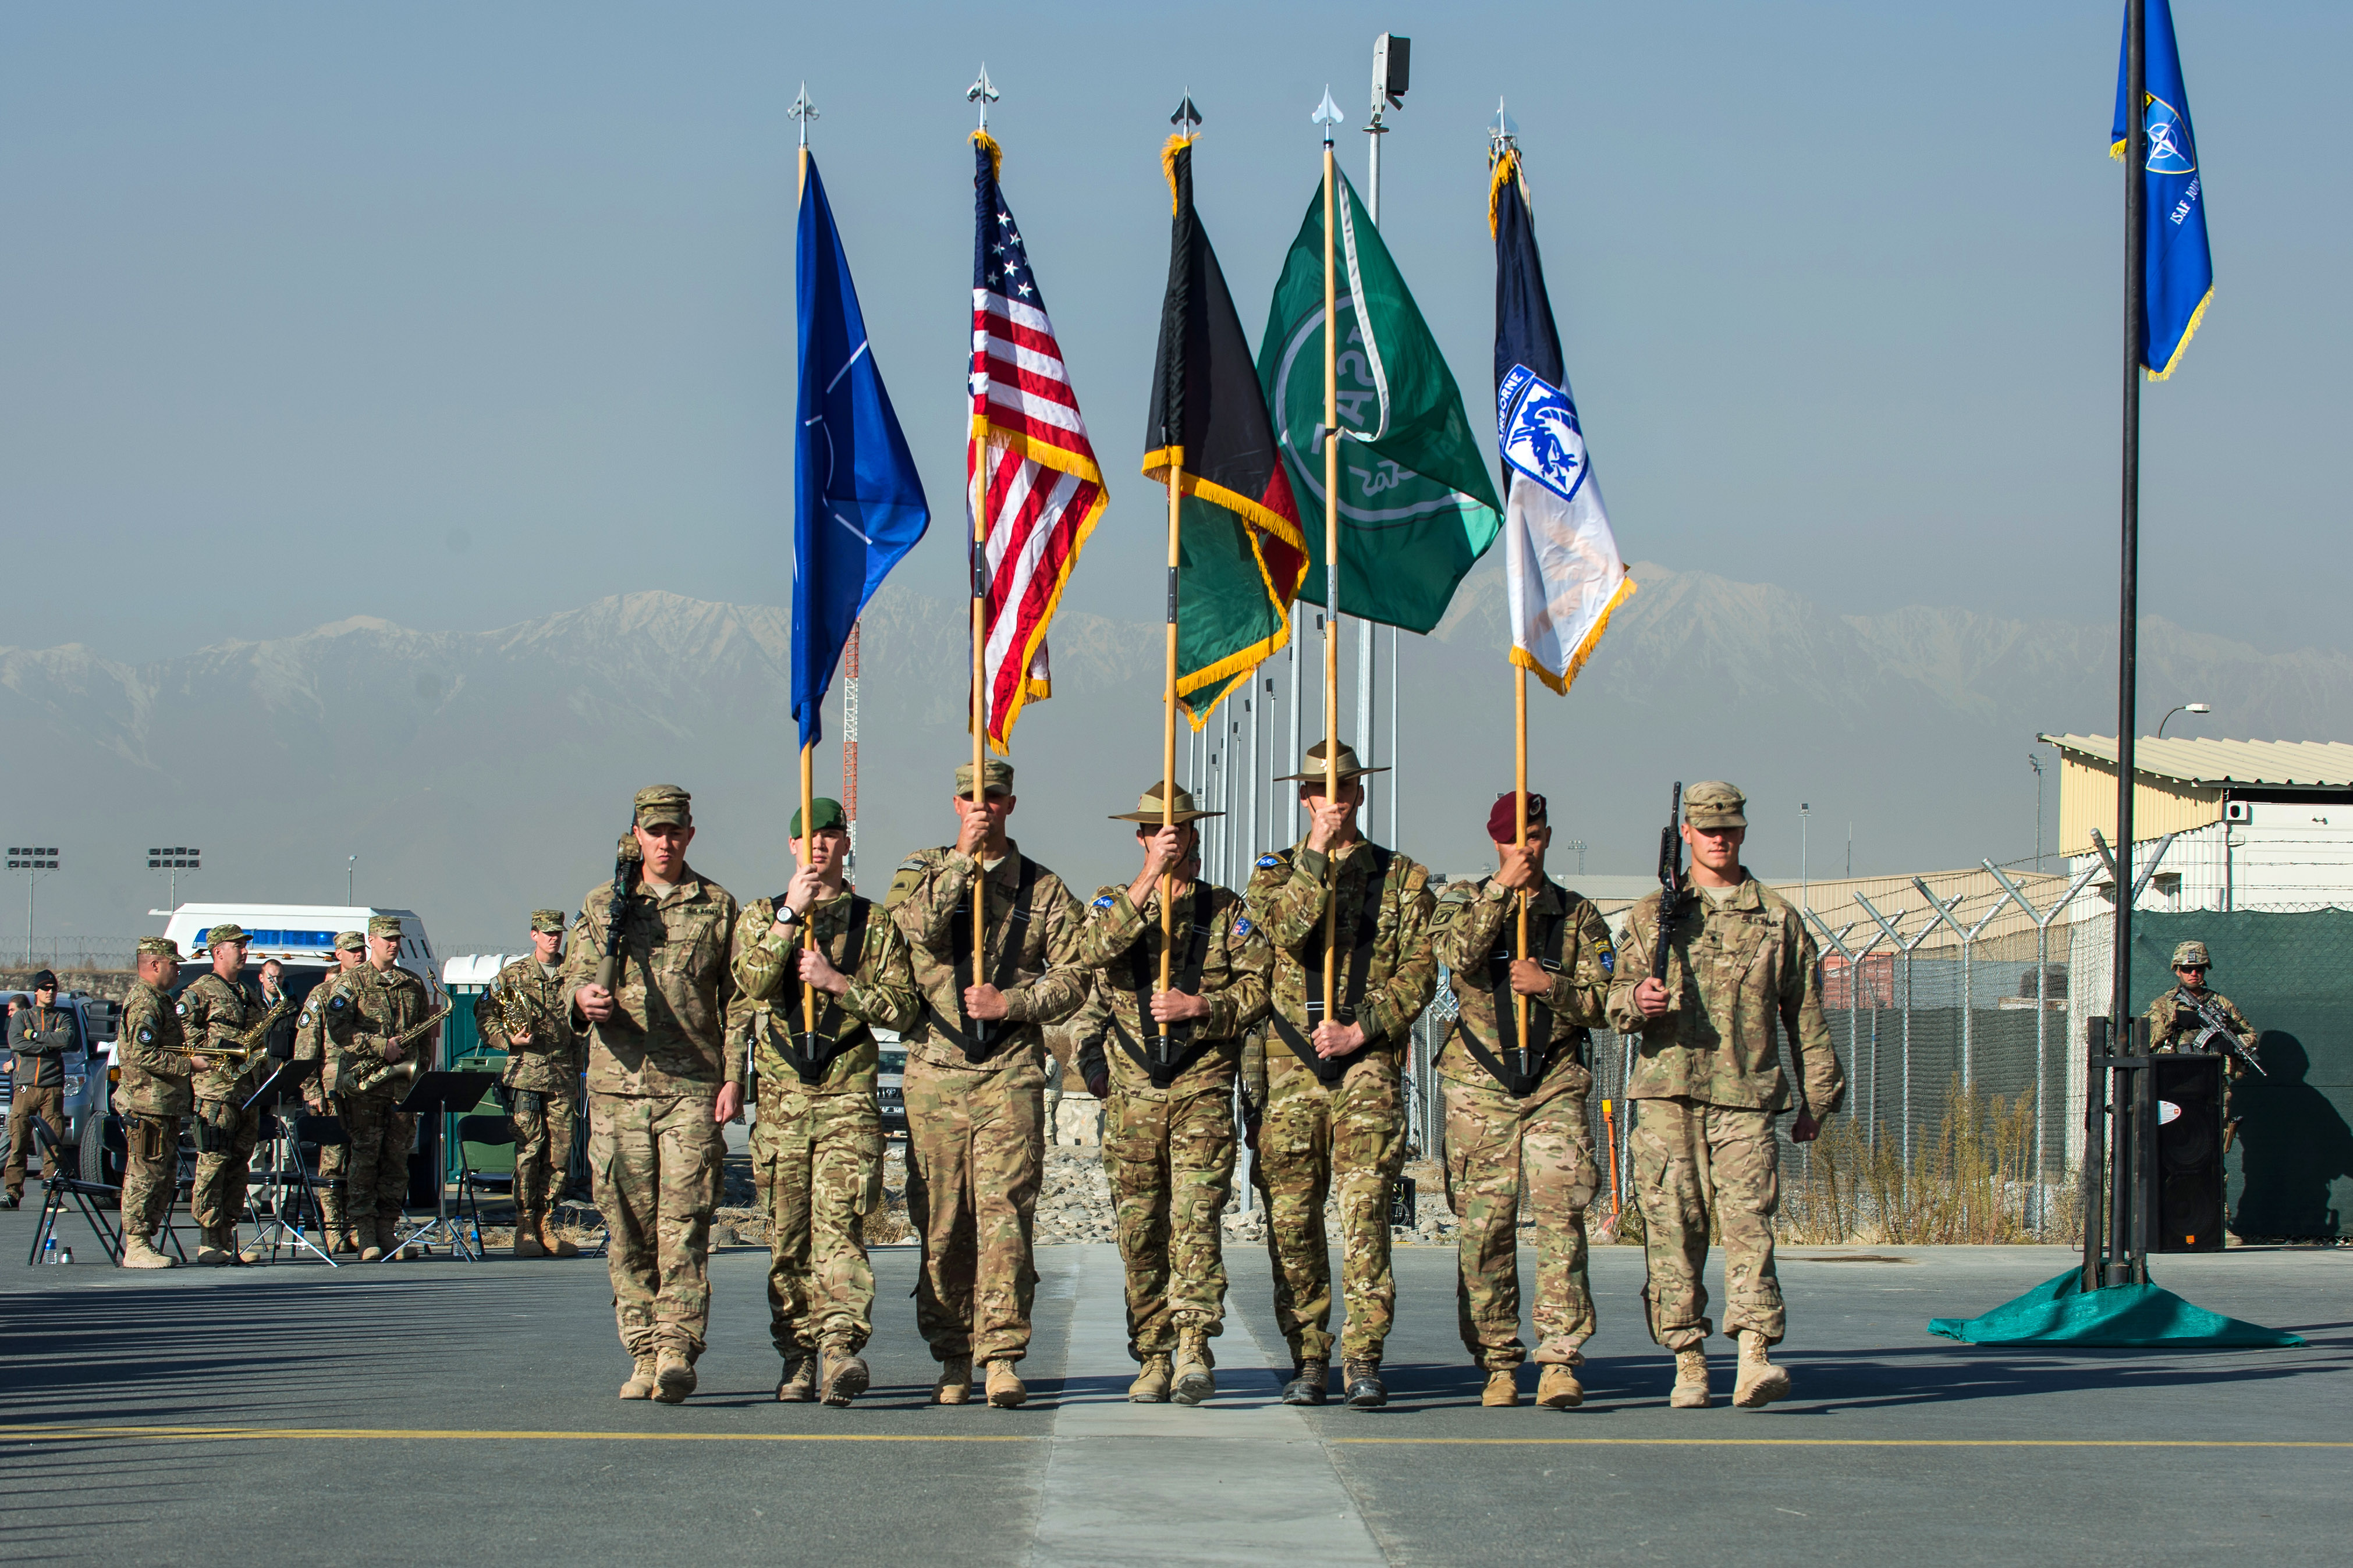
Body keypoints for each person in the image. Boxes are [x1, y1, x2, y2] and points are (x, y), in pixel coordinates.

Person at [1606, 780, 1846, 1410]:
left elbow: (1805, 1012)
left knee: (1749, 1229)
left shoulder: (1775, 918)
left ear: (1742, 831)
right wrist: (1636, 1000)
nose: (1719, 838)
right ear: (1684, 833)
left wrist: (1816, 1096)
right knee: (1671, 1230)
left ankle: (1753, 1355)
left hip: (1744, 1096)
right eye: (1707, 829)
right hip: (1667, 1097)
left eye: (1729, 828)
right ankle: (1688, 1361)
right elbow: (1611, 1001)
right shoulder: (1652, 915)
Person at [885, 758, 1088, 1409]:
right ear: (955, 804)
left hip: (1008, 1072)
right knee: (942, 1219)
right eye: (972, 798)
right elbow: (903, 935)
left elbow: (1076, 972)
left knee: (1005, 1216)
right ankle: (951, 1352)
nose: (984, 808)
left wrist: (1014, 1004)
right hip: (937, 1073)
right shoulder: (921, 870)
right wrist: (959, 864)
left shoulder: (1044, 888)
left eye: (994, 798)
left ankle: (1000, 1353)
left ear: (1011, 803)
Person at [1243, 741, 1438, 1410]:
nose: (1336, 799)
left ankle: (1362, 1356)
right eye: (1322, 790)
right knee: (1293, 1220)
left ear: (1360, 793)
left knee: (1364, 1216)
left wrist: (1364, 1026)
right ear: (1304, 799)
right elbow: (1286, 935)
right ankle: (1308, 1354)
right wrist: (1316, 857)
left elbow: (1421, 969)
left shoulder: (1403, 877)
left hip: (1366, 1065)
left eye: (1346, 788)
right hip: (1291, 1069)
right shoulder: (1271, 873)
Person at [1069, 782, 1271, 1406]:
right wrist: (1147, 879)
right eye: (1158, 831)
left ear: (1196, 838)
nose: (1171, 838)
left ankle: (1191, 1348)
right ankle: (1151, 1351)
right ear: (1140, 838)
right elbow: (1091, 953)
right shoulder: (1112, 902)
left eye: (1180, 830)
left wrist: (1202, 1004)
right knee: (1139, 1229)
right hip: (1132, 1095)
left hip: (1200, 1087)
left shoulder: (1226, 911)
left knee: (1194, 1223)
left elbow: (1259, 988)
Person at [730, 797, 921, 1406]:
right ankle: (796, 1355)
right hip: (784, 1100)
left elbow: (905, 1007)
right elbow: (750, 983)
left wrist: (840, 984)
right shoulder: (761, 914)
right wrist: (790, 916)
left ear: (846, 844)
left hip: (844, 1092)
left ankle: (840, 1348)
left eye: (830, 836)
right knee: (788, 1236)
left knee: (840, 1227)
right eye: (808, 837)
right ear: (792, 847)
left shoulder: (874, 923)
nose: (819, 846)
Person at [1429, 793, 1617, 1410]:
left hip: (1553, 1081)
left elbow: (1603, 1002)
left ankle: (1559, 1355)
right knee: (1485, 1225)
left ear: (1548, 836)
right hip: (1479, 1087)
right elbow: (1456, 956)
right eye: (1513, 840)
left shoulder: (1576, 915)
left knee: (1562, 1214)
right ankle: (1496, 1358)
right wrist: (1499, 895)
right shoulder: (1461, 898)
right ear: (1494, 843)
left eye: (1534, 837)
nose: (1525, 849)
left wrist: (1550, 985)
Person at [563, 785, 742, 1405]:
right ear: (636, 834)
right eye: (653, 831)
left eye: (675, 831)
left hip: (689, 1086)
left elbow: (737, 998)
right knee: (628, 1228)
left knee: (685, 1224)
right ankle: (641, 1349)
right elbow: (571, 976)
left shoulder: (717, 906)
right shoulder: (602, 904)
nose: (664, 842)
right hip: (618, 1088)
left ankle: (675, 1350)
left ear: (690, 834)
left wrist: (733, 1073)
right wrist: (581, 999)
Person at [324, 915, 440, 1262]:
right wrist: (378, 1046)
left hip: (401, 1088)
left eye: (397, 938)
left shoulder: (412, 983)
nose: (394, 943)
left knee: (396, 1161)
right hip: (365, 1085)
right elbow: (338, 1030)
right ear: (371, 940)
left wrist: (418, 1075)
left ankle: (388, 1229)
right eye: (386, 938)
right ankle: (365, 1233)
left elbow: (423, 1036)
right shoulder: (350, 983)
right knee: (365, 1159)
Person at [476, 909, 585, 1259]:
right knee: (530, 1151)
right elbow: (484, 1015)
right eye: (547, 932)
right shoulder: (513, 975)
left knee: (560, 1152)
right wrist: (507, 1038)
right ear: (534, 934)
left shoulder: (574, 974)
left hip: (564, 1075)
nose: (554, 938)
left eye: (558, 933)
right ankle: (525, 1226)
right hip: (526, 1073)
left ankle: (547, 1222)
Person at [183, 925, 278, 1265]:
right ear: (218, 951)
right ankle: (209, 1241)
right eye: (236, 946)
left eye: (244, 946)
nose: (244, 951)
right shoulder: (199, 993)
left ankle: (228, 1238)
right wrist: (222, 1050)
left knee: (239, 1167)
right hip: (216, 1094)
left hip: (246, 1092)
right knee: (213, 1165)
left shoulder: (247, 993)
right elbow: (185, 1037)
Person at [115, 938, 195, 1268]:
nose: (178, 971)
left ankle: (147, 1238)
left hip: (164, 1104)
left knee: (162, 1174)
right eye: (173, 964)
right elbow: (143, 1053)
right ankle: (135, 1244)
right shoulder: (145, 1002)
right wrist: (192, 1064)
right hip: (146, 1103)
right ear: (155, 965)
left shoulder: (160, 1000)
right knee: (144, 1173)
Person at [2148, 939, 2260, 1147]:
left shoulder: (2221, 1004)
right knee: (2173, 1146)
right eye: (2188, 969)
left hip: (2211, 1083)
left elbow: (2250, 1034)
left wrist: (2234, 1046)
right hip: (2174, 1082)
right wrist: (2175, 1019)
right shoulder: (2164, 1005)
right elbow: (2147, 1041)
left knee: (2210, 1147)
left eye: (2198, 969)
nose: (2194, 974)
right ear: (2178, 971)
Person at [295, 931, 367, 1251]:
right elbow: (306, 1048)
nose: (359, 956)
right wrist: (311, 1089)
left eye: (361, 950)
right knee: (334, 1162)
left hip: (366, 1086)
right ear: (338, 955)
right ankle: (333, 1227)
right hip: (332, 1087)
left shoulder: (368, 992)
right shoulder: (323, 994)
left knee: (362, 1159)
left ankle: (356, 1226)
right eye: (352, 951)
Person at [5, 970, 73, 1208]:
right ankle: (13, 1192)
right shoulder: (21, 1017)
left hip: (52, 1089)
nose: (50, 992)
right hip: (25, 1088)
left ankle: (53, 1194)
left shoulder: (62, 1018)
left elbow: (65, 1040)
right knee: (19, 1142)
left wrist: (35, 1036)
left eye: (54, 988)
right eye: (46, 988)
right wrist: (47, 1044)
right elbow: (16, 1042)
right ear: (36, 991)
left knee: (52, 1144)